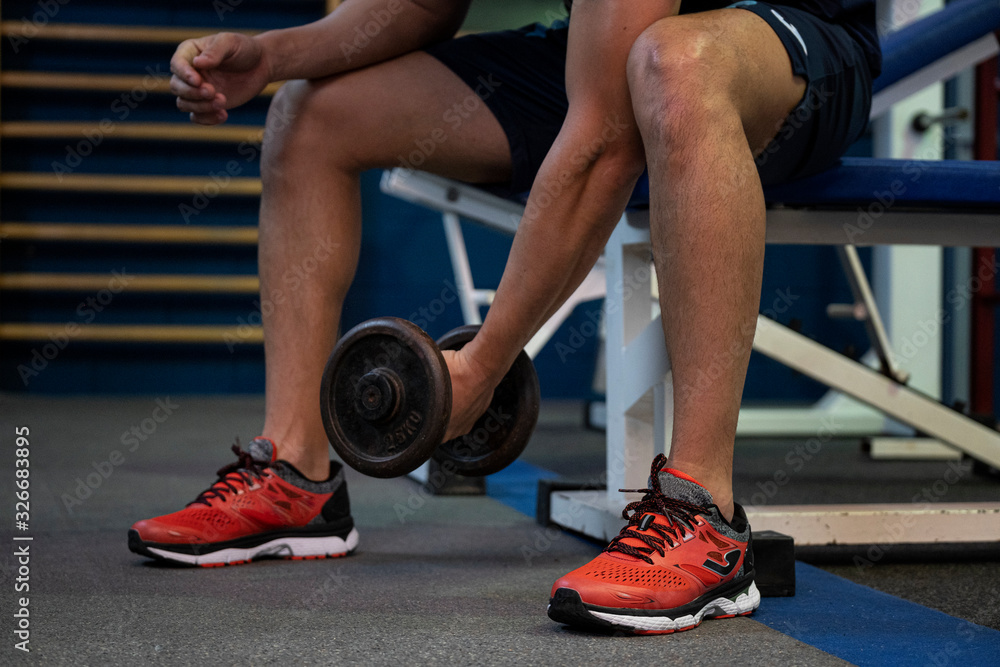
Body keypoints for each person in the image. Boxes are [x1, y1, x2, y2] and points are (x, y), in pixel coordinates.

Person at [128, 0, 879, 634]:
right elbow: (420, 6)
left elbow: (606, 142)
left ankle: (704, 515)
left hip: (783, 47)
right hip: (611, 48)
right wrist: (272, 54)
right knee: (313, 111)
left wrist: (479, 368)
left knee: (673, 67)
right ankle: (295, 475)